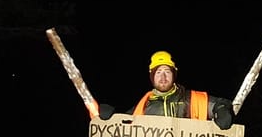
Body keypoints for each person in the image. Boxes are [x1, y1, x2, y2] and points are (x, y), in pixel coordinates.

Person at [99, 50, 234, 130]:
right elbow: (122, 129)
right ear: (152, 77)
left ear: (174, 74)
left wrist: (222, 109)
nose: (163, 77)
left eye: (167, 72)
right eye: (158, 72)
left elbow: (219, 104)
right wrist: (110, 117)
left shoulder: (191, 100)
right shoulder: (143, 106)